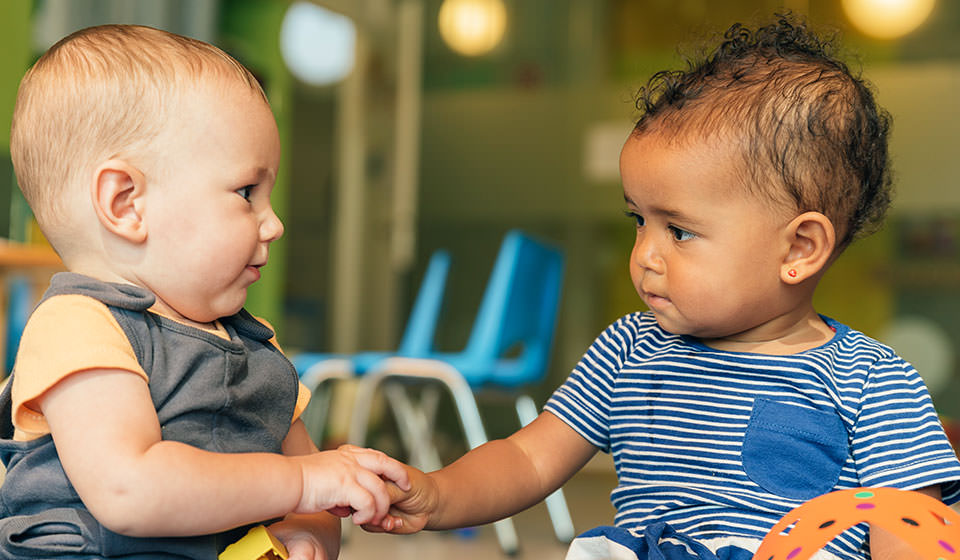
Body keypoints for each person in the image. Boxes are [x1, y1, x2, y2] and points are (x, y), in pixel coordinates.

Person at [371, 14, 960, 560]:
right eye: (638, 221)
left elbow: (907, 525)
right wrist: (438, 493)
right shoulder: (630, 348)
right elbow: (527, 458)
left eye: (679, 231)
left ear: (799, 249)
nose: (644, 256)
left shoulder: (873, 382)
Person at [0, 24, 409, 560]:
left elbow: (310, 501)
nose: (274, 223)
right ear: (126, 204)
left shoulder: (258, 350)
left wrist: (308, 534)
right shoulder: (79, 326)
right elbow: (131, 489)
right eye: (246, 193)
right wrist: (303, 482)